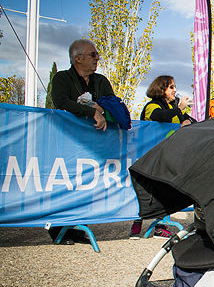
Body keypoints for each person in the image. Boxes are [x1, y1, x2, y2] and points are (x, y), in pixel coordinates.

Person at [48, 39, 116, 244]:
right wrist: (91, 111)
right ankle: (59, 228)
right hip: (66, 140)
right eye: (93, 54)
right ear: (78, 58)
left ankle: (78, 225)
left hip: (93, 144)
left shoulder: (101, 81)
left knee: (86, 183)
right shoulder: (62, 78)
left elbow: (114, 104)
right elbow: (61, 102)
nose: (98, 58)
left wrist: (101, 110)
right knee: (64, 182)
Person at [131, 75, 193, 239]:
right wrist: (179, 109)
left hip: (168, 156)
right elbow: (159, 117)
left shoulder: (174, 108)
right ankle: (136, 224)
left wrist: (187, 121)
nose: (175, 90)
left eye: (175, 86)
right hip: (148, 155)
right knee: (143, 190)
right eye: (171, 87)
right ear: (161, 89)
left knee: (163, 190)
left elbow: (189, 121)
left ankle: (160, 226)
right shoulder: (152, 106)